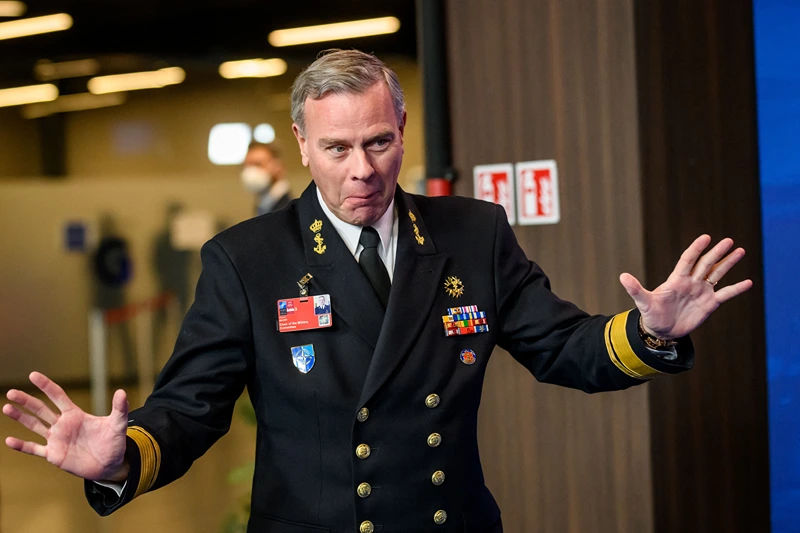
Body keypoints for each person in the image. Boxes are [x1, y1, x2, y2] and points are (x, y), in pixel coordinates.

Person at [3, 50, 752, 533]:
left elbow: (561, 346)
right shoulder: (248, 259)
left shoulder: (473, 234)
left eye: (378, 141)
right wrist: (121, 458)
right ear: (301, 143)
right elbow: (192, 408)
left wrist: (651, 331)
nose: (361, 168)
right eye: (336, 148)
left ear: (401, 126)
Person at [240, 141, 292, 216]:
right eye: (246, 166)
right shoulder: (263, 206)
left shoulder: (288, 210)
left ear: (278, 167)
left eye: (257, 164)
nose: (250, 171)